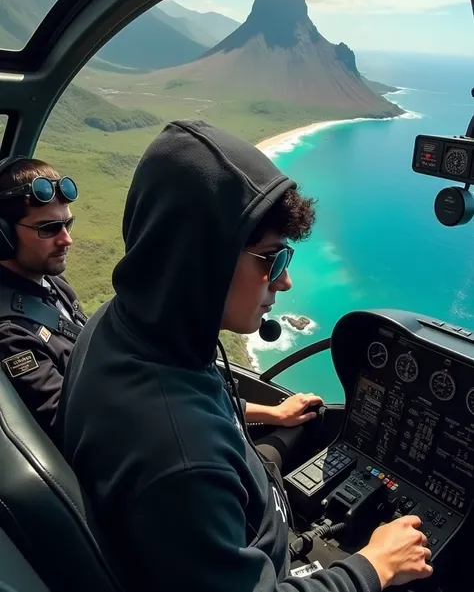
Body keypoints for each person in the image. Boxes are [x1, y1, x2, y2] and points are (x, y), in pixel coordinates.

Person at [57, 120, 432, 592]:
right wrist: (372, 567)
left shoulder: (125, 325)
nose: (284, 281)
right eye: (271, 258)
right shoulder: (182, 457)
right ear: (201, 259)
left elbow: (195, 398)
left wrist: (268, 413)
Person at [0, 156, 87, 440]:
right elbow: (72, 426)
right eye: (48, 228)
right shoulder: (10, 334)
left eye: (67, 224)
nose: (66, 239)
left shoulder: (52, 282)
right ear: (3, 235)